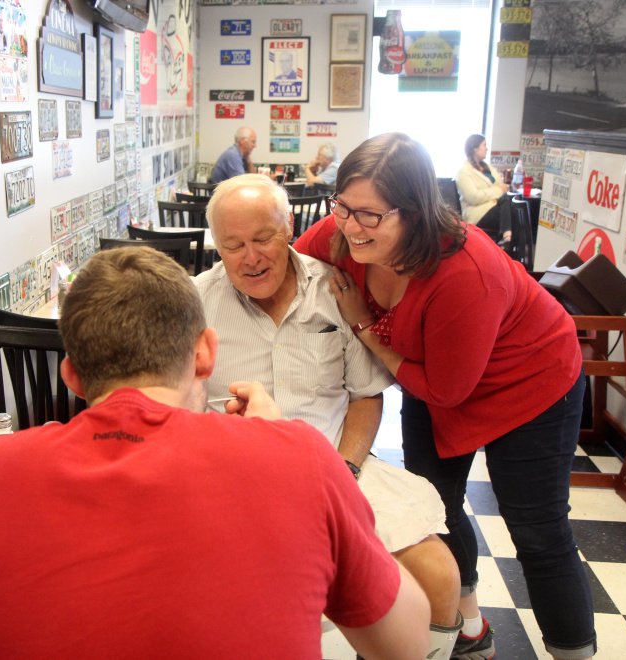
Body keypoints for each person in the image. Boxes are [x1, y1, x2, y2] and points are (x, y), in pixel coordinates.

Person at [0, 246, 431, 659]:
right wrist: (281, 441)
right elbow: (406, 644)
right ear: (205, 354)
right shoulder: (298, 457)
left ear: (72, 376)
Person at [294, 133, 595, 660]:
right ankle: (469, 624)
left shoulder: (464, 270)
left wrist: (366, 327)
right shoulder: (346, 231)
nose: (348, 225)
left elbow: (444, 389)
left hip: (530, 381)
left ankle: (573, 652)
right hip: (430, 375)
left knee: (537, 528)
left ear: (413, 213)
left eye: (370, 215)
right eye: (342, 207)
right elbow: (292, 266)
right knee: (436, 507)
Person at [196, 174, 463, 659]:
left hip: (337, 465)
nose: (251, 259)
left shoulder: (335, 289)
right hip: (231, 480)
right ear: (216, 244)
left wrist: (345, 471)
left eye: (263, 239)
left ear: (289, 226)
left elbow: (365, 395)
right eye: (233, 245)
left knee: (440, 575)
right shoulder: (195, 305)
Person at [454, 134, 512, 244]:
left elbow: (500, 184)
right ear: (475, 148)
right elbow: (473, 197)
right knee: (506, 202)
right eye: (484, 145)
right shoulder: (464, 172)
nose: (487, 148)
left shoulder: (487, 168)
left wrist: (499, 190)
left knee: (513, 208)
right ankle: (507, 240)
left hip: (495, 207)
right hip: (478, 213)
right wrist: (498, 191)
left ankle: (508, 241)